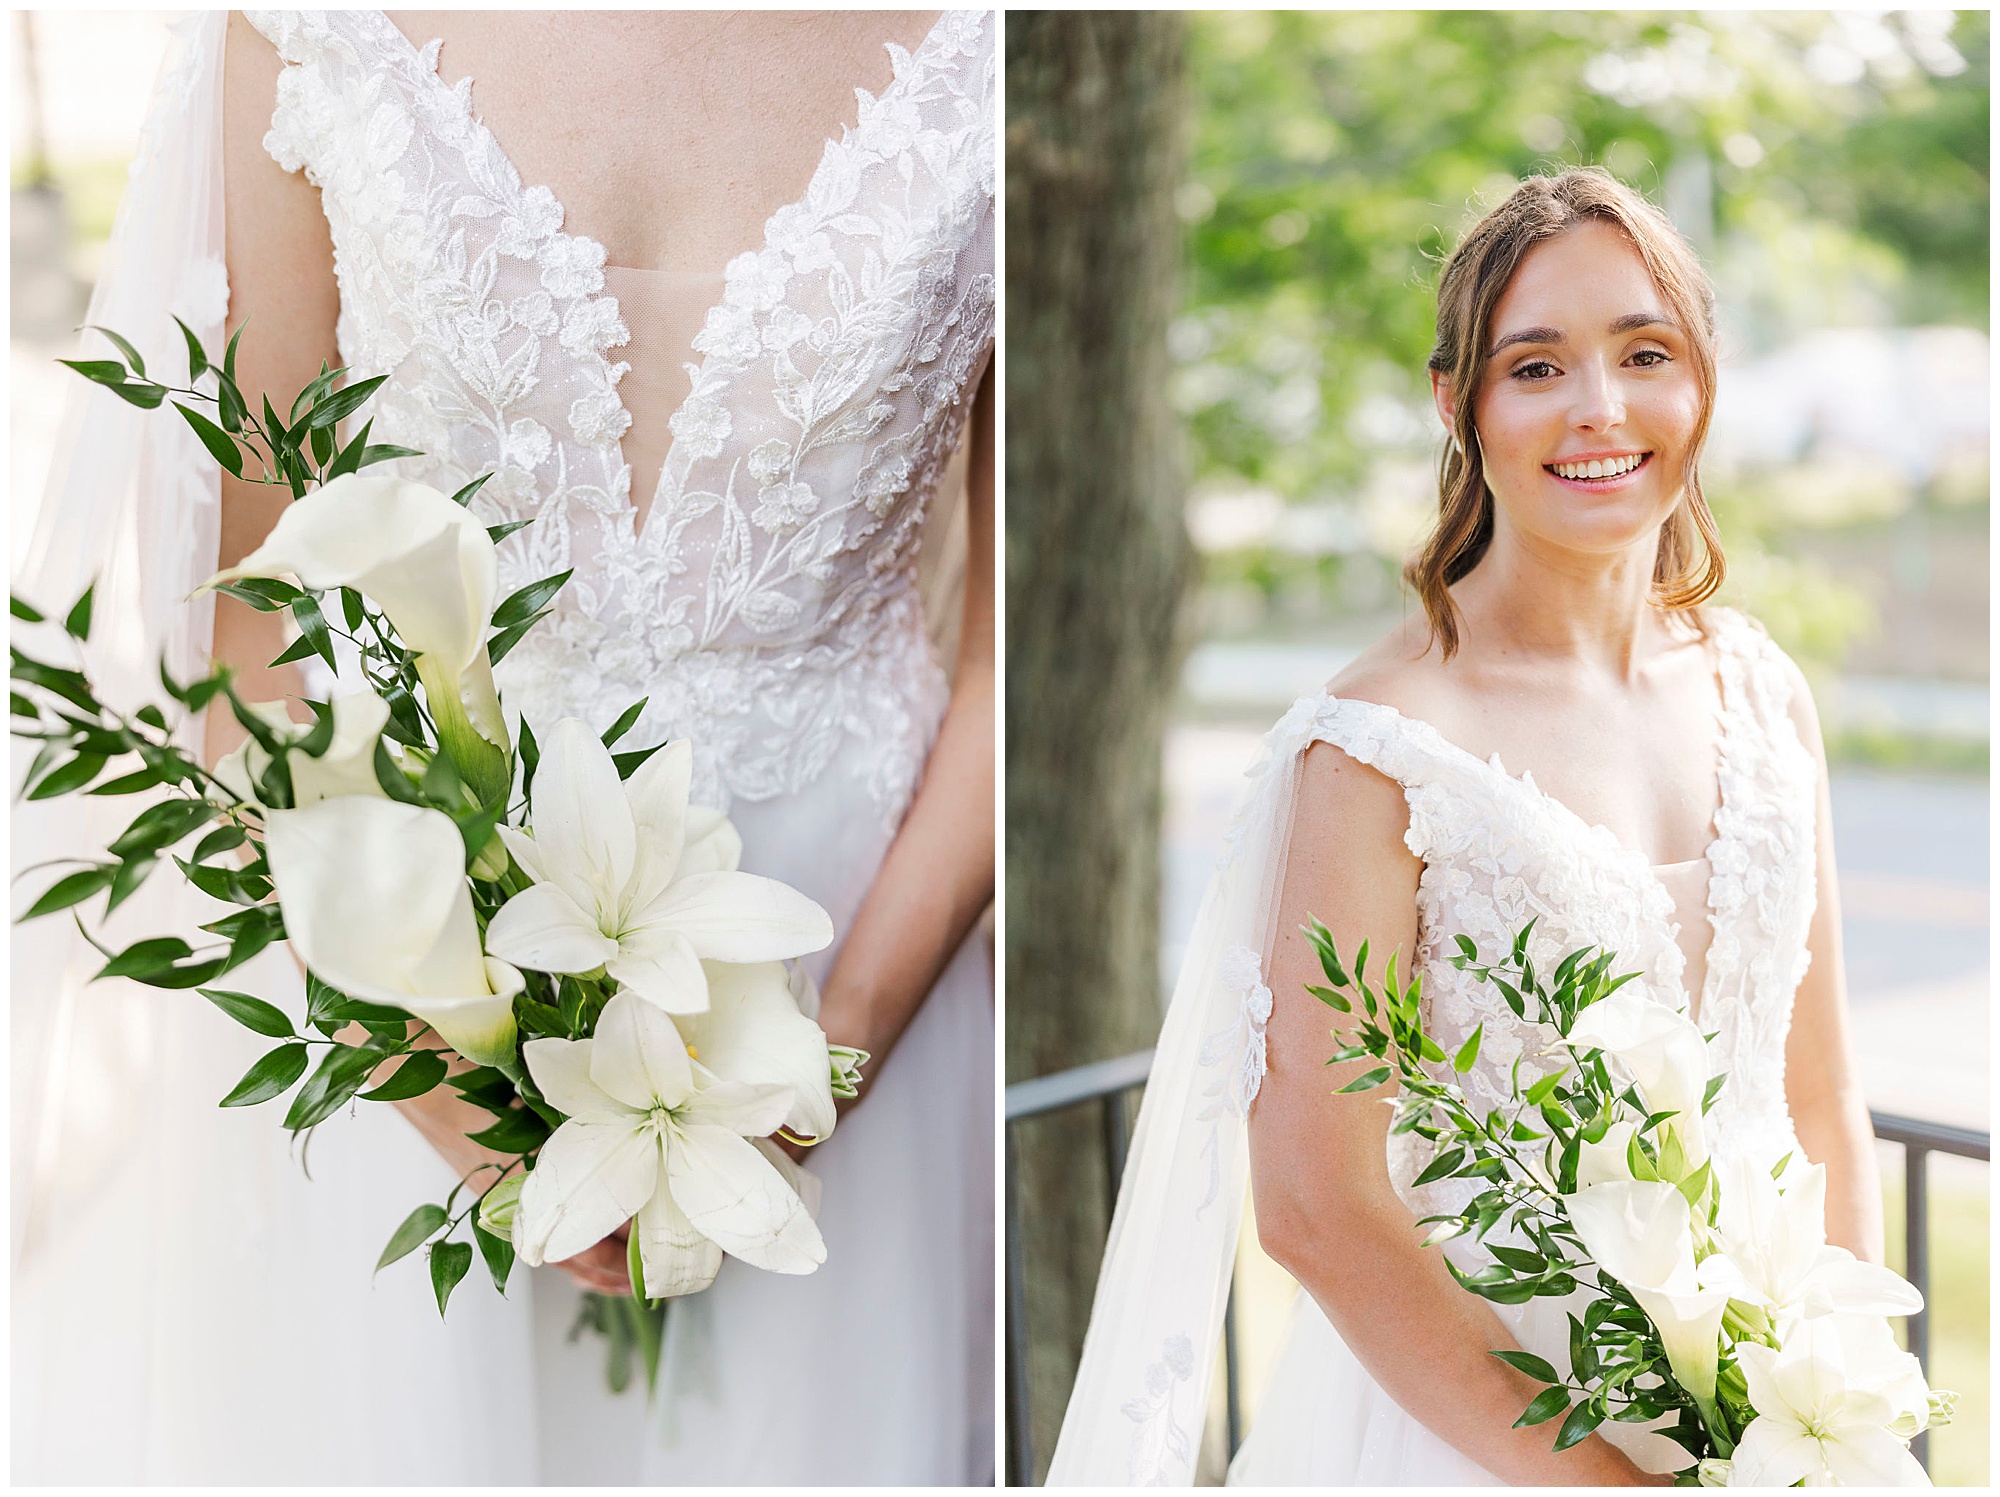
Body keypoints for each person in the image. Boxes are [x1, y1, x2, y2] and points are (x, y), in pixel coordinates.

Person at [12, 9, 993, 1484]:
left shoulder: (1000, 44)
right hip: (407, 975)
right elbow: (242, 627)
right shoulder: (301, 28)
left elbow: (1014, 636)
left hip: (862, 968)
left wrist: (812, 1069)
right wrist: (457, 1099)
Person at [1048, 168, 1877, 1486]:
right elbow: (1319, 1207)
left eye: (1643, 352)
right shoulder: (1378, 748)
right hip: (1467, 1440)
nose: (1600, 408)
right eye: (1536, 367)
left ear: (1703, 378)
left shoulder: (1767, 693)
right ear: (1458, 404)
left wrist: (1845, 1415)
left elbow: (1820, 1105)